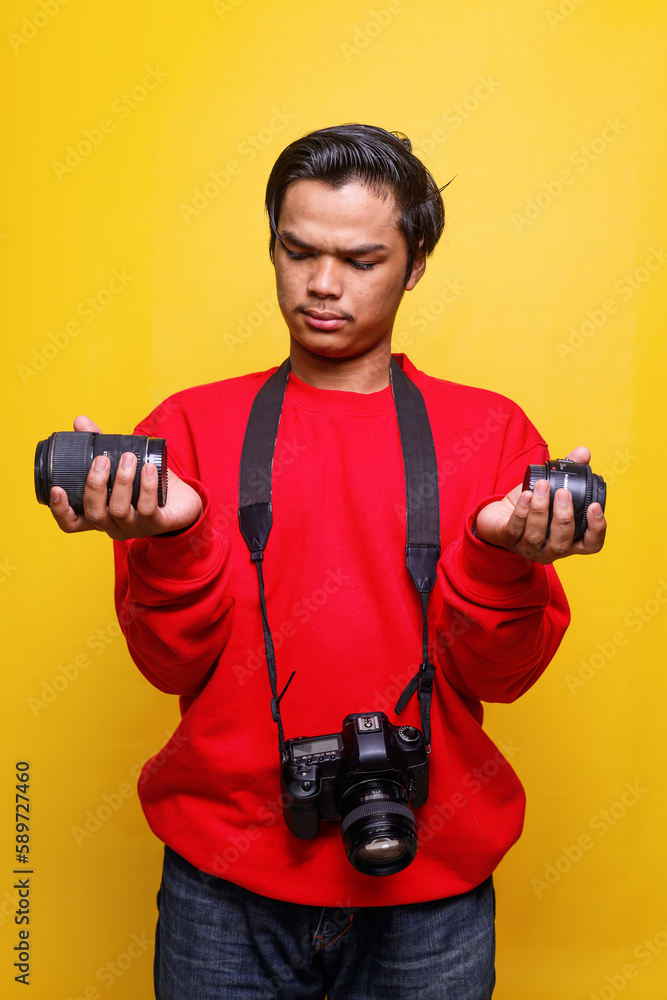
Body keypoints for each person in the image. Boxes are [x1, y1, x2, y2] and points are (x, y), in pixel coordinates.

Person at [49, 124, 606, 999]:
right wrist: (174, 540)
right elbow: (168, 664)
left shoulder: (491, 433)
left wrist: (496, 557)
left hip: (432, 892)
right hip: (220, 884)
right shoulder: (187, 430)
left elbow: (503, 678)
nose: (320, 285)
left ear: (415, 263)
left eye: (360, 259)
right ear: (270, 242)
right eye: (297, 250)